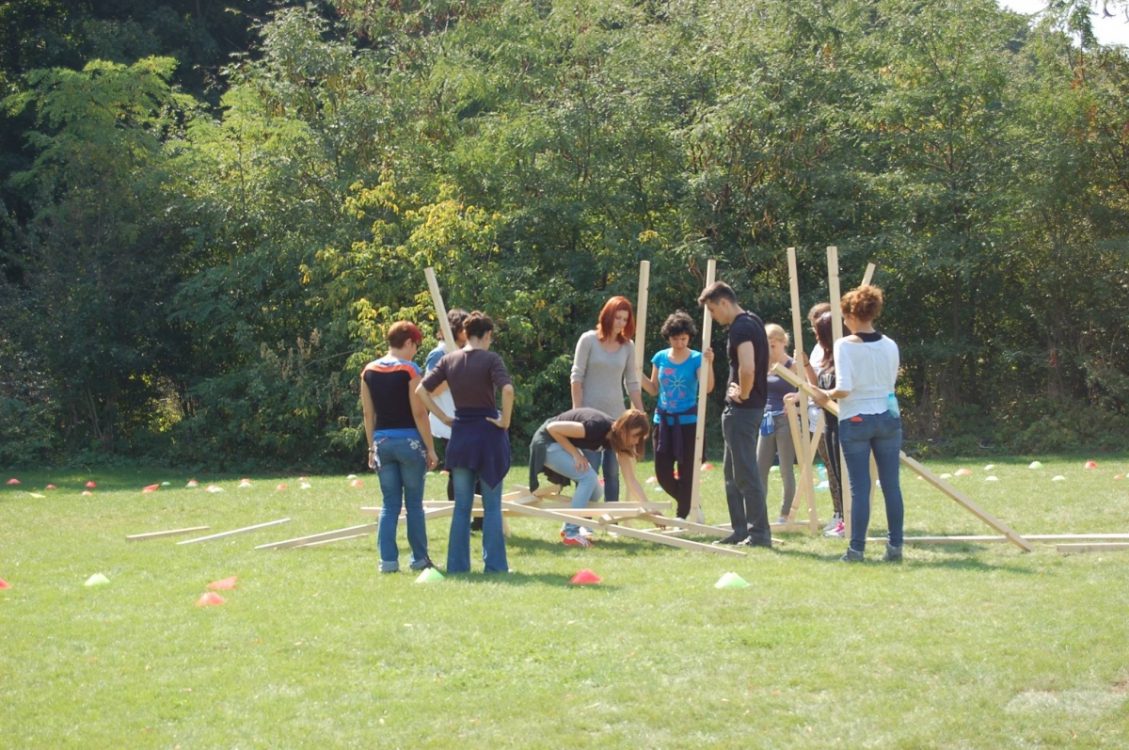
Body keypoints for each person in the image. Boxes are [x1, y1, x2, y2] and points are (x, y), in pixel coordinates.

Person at [811, 285, 903, 562]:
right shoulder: (890, 344)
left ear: (851, 314)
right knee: (891, 485)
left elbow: (844, 388)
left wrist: (824, 394)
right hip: (888, 416)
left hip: (856, 418)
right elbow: (891, 382)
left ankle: (856, 549)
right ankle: (895, 546)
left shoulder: (844, 346)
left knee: (860, 488)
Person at [417, 312, 515, 573]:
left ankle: (457, 567)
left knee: (461, 507)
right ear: (487, 335)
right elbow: (507, 389)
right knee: (492, 506)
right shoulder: (491, 359)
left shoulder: (449, 359)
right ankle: (495, 567)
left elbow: (421, 391)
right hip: (488, 435)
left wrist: (444, 418)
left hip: (461, 435)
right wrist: (505, 419)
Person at [697, 281, 771, 547]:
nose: (714, 318)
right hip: (743, 410)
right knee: (731, 473)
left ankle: (759, 534)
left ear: (724, 303)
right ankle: (741, 530)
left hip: (744, 410)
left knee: (745, 472)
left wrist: (745, 393)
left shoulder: (741, 327)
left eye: (713, 311)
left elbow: (748, 367)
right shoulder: (754, 320)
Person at [361, 321, 439, 573]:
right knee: (414, 504)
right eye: (415, 346)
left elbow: (367, 413)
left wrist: (371, 446)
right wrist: (430, 447)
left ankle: (388, 561)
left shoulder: (368, 371)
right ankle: (419, 559)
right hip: (409, 442)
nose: (415, 351)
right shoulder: (409, 370)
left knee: (389, 504)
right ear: (408, 342)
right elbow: (419, 413)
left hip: (382, 442)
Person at [528, 408, 650, 546]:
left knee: (596, 490)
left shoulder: (619, 441)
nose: (636, 441)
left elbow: (631, 480)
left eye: (640, 437)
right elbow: (552, 428)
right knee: (588, 478)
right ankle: (571, 533)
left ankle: (569, 526)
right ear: (623, 429)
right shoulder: (596, 426)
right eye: (635, 435)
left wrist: (651, 509)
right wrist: (576, 454)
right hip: (546, 443)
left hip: (558, 444)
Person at [570, 296, 646, 502]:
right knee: (589, 471)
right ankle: (584, 520)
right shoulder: (588, 340)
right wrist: (577, 412)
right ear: (607, 316)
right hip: (589, 418)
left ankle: (612, 519)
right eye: (617, 317)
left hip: (616, 420)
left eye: (624, 319)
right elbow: (576, 377)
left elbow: (631, 382)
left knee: (612, 473)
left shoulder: (628, 346)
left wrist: (640, 413)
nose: (620, 323)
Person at [640, 311, 714, 519]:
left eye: (683, 338)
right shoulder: (660, 357)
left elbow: (707, 388)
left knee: (687, 473)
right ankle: (691, 503)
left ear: (689, 337)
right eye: (675, 339)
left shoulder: (697, 358)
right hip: (663, 422)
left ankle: (682, 517)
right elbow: (654, 389)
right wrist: (638, 373)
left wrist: (710, 364)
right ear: (668, 337)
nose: (680, 343)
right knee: (662, 473)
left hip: (688, 423)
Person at [423, 309, 482, 528]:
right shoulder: (439, 354)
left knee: (477, 469)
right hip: (448, 422)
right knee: (458, 470)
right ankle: (461, 519)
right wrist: (456, 372)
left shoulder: (465, 352)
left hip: (470, 420)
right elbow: (430, 390)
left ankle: (479, 519)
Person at [757, 324, 799, 524]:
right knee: (760, 467)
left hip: (786, 419)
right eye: (766, 346)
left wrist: (794, 397)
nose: (770, 350)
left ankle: (785, 513)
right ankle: (758, 512)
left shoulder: (793, 364)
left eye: (773, 346)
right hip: (766, 420)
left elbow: (806, 391)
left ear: (783, 342)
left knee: (785, 468)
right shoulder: (763, 364)